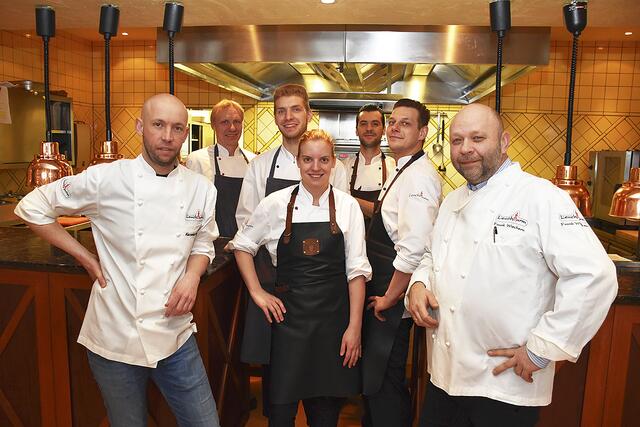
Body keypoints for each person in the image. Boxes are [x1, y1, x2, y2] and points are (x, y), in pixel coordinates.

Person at [405, 103, 618, 427]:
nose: (466, 149)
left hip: (504, 384)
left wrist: (541, 350)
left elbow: (596, 275)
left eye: (478, 138)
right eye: (457, 140)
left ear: (503, 142)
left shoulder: (541, 197)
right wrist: (419, 284)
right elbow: (431, 255)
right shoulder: (452, 201)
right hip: (445, 377)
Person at [14, 93, 221, 427]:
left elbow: (203, 240)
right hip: (116, 337)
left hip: (176, 335)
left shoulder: (202, 188)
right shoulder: (106, 178)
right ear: (141, 127)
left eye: (176, 128)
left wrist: (192, 277)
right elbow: (32, 206)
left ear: (185, 134)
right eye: (158, 125)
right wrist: (85, 257)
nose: (167, 136)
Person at [230, 129, 371, 426]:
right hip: (288, 323)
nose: (315, 167)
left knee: (325, 413)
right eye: (307, 159)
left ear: (334, 163)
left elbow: (356, 272)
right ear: (298, 161)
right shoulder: (275, 204)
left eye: (323, 160)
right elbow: (242, 246)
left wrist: (354, 328)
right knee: (280, 413)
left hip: (333, 324)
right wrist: (257, 292)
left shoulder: (347, 207)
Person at [235, 84, 349, 418]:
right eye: (282, 111)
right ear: (275, 117)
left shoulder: (336, 170)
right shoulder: (260, 166)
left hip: (321, 290)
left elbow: (339, 223)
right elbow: (247, 224)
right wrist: (260, 286)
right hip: (276, 284)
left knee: (322, 381)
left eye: (295, 109)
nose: (288, 117)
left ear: (308, 113)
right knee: (278, 379)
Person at [361, 98, 442, 427]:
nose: (394, 127)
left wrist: (389, 299)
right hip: (383, 287)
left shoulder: (419, 177)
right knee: (376, 378)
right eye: (392, 122)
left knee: (385, 380)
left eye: (404, 123)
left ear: (422, 132)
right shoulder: (402, 167)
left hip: (390, 296)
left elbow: (412, 249)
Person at [186, 99, 255, 237]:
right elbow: (191, 208)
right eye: (225, 122)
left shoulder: (254, 161)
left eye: (237, 121)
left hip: (248, 241)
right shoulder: (198, 159)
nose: (232, 128)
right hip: (211, 243)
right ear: (213, 125)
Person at [341, 104, 396, 223]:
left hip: (381, 241)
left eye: (375, 124)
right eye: (363, 124)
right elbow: (338, 208)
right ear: (356, 130)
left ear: (383, 130)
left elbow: (393, 214)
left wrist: (352, 201)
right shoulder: (342, 167)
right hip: (350, 239)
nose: (369, 128)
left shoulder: (394, 168)